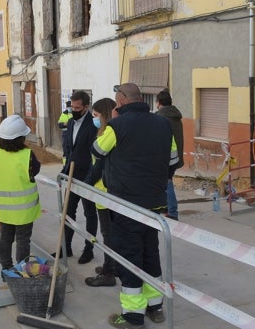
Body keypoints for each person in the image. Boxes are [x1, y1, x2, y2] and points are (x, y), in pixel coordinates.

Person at [92, 83, 173, 328]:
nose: (115, 104)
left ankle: (132, 316)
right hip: (155, 204)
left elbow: (97, 150)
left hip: (126, 205)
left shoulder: (117, 126)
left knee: (129, 257)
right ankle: (155, 306)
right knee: (150, 253)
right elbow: (174, 160)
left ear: (123, 100)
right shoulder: (163, 124)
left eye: (117, 100)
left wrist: (112, 124)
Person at [0, 115, 41, 276]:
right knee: (23, 241)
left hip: (4, 211)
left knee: (5, 239)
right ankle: (21, 271)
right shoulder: (28, 155)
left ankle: (6, 269)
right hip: (25, 212)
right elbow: (36, 170)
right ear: (21, 138)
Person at [56, 90, 98, 264]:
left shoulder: (93, 125)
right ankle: (66, 247)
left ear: (86, 107)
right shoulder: (72, 122)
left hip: (87, 177)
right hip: (71, 175)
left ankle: (89, 249)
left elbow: (94, 154)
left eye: (77, 107)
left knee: (90, 214)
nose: (73, 110)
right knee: (68, 212)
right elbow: (70, 149)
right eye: (72, 107)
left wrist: (90, 177)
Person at [83, 98, 117, 287]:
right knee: (112, 233)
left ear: (104, 115)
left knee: (108, 234)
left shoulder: (109, 134)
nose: (93, 119)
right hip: (104, 192)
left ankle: (109, 272)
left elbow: (99, 165)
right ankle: (110, 265)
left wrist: (86, 183)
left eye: (96, 116)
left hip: (105, 193)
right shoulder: (106, 132)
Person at [156, 89, 184, 221]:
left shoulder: (160, 117)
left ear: (159, 103)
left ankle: (172, 212)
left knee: (167, 183)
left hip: (166, 156)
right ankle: (166, 208)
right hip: (176, 155)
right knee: (166, 182)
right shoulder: (176, 116)